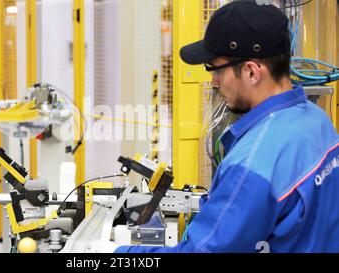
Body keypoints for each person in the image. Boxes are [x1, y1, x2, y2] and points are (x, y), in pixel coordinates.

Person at [90, 1, 339, 253]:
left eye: (215, 69)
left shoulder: (252, 163)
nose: (213, 82)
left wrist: (114, 254)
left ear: (252, 72)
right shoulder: (317, 121)